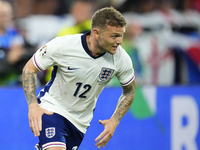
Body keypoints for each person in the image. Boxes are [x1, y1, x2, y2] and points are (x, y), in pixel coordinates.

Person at [22, 7, 135, 150]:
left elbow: (129, 92)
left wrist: (115, 120)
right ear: (96, 33)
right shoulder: (63, 45)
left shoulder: (121, 59)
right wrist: (33, 106)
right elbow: (29, 69)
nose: (119, 41)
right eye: (114, 36)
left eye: (121, 35)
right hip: (52, 108)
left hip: (80, 123)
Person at [0, 0, 25, 86]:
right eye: (3, 15)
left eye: (8, 14)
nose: (6, 18)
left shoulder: (15, 33)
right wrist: (9, 60)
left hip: (15, 85)